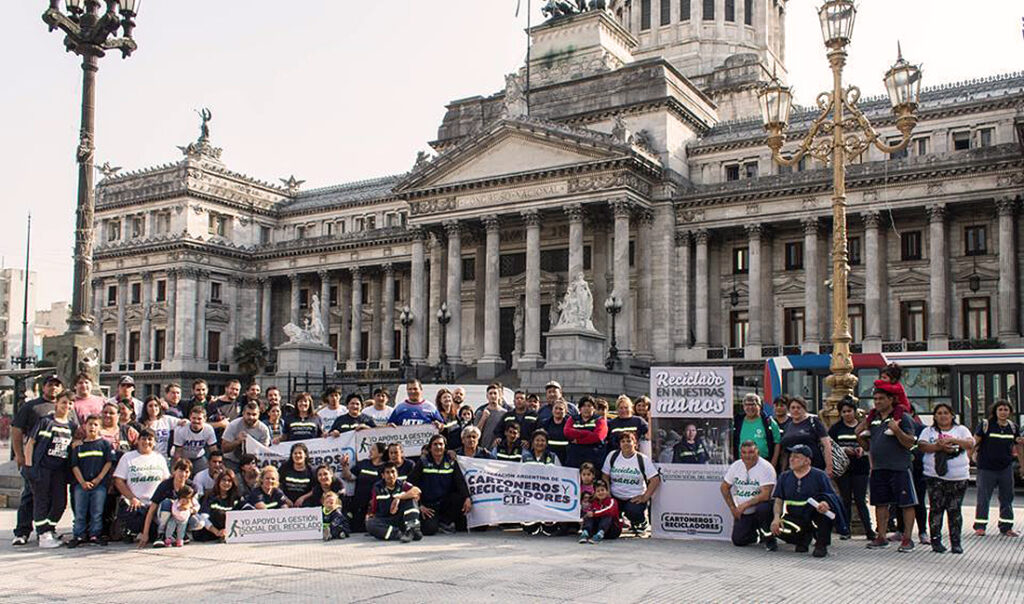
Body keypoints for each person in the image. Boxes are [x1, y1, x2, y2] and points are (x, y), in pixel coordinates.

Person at [861, 386, 920, 552]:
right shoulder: (873, 419)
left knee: (907, 503)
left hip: (899, 467)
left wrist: (896, 430)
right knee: (880, 503)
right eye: (876, 399)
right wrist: (859, 435)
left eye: (881, 399)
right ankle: (881, 537)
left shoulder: (903, 418)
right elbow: (868, 445)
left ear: (891, 400)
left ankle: (907, 539)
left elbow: (910, 443)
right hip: (879, 468)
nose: (878, 402)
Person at [10, 374, 66, 546]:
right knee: (29, 496)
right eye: (50, 384)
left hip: (56, 463)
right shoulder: (32, 406)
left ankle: (47, 530)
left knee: (54, 498)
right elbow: (17, 430)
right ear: (44, 387)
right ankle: (22, 531)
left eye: (57, 385)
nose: (53, 388)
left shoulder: (65, 408)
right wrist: (19, 455)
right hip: (35, 461)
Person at [918, 402, 973, 554]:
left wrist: (953, 441)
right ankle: (936, 541)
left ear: (952, 415)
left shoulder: (960, 430)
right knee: (936, 509)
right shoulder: (928, 431)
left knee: (954, 510)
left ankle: (956, 543)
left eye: (946, 413)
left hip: (958, 478)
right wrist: (939, 447)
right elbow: (921, 446)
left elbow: (970, 443)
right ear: (934, 416)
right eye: (939, 413)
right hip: (934, 477)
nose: (943, 416)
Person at [24, 391, 76, 549]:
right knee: (41, 500)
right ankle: (42, 534)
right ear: (57, 403)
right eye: (64, 402)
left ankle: (49, 528)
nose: (66, 406)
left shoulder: (71, 425)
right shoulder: (45, 421)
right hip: (42, 467)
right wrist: (29, 467)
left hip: (59, 470)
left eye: (69, 403)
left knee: (60, 502)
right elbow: (30, 443)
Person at [769, 444, 840, 558]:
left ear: (807, 461)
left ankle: (821, 544)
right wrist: (776, 517)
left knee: (825, 515)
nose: (791, 459)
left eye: (796, 457)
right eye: (791, 456)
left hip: (813, 514)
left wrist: (825, 503)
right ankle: (801, 540)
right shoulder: (784, 476)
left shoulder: (819, 475)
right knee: (768, 516)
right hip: (794, 516)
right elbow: (778, 499)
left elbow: (831, 496)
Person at [972, 398, 1022, 537]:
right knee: (983, 498)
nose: (1003, 412)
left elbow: (1018, 447)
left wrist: (1022, 466)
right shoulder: (985, 425)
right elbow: (974, 441)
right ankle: (980, 527)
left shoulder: (1013, 427)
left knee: (1007, 497)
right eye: (1000, 409)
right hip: (986, 468)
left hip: (1005, 468)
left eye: (1006, 409)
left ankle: (1006, 527)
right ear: (995, 411)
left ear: (1010, 412)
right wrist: (968, 457)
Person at [68, 413, 117, 548]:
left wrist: (98, 479)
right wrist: (82, 482)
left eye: (96, 425)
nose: (92, 427)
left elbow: (108, 463)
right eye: (90, 424)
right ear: (85, 426)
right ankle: (79, 534)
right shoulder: (79, 446)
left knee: (97, 512)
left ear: (100, 427)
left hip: (99, 485)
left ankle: (95, 534)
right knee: (80, 512)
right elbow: (74, 466)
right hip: (81, 485)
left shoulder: (105, 445)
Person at [829, 397, 875, 541]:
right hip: (843, 468)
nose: (847, 414)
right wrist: (844, 449)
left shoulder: (863, 427)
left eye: (849, 411)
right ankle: (845, 529)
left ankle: (869, 530)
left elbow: (871, 445)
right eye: (844, 412)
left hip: (860, 467)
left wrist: (862, 449)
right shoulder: (836, 428)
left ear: (855, 411)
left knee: (861, 500)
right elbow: (830, 446)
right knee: (845, 499)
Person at [112, 429, 171, 542]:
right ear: (138, 441)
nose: (146, 442)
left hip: (154, 504)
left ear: (154, 443)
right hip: (135, 504)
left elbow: (166, 481)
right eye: (143, 439)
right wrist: (132, 498)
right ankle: (130, 530)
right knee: (141, 523)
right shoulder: (128, 457)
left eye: (150, 439)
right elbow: (118, 481)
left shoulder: (159, 458)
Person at [410, 434, 471, 535]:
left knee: (459, 497)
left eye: (441, 444)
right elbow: (411, 484)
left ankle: (444, 523)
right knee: (429, 530)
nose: (438, 447)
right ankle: (436, 523)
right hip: (428, 505)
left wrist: (467, 498)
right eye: (435, 444)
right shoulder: (423, 461)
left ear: (445, 446)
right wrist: (419, 505)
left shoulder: (451, 461)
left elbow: (460, 481)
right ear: (430, 447)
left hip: (445, 503)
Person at [602, 431, 661, 536]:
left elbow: (655, 479)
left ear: (635, 443)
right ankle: (617, 522)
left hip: (634, 497)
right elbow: (605, 475)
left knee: (633, 510)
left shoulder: (642, 459)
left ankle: (640, 522)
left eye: (629, 441)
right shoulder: (612, 456)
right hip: (616, 496)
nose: (626, 443)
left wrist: (645, 497)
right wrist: (607, 492)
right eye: (623, 441)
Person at [721, 440, 777, 548]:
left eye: (751, 452)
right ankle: (755, 533)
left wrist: (744, 505)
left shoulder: (766, 467)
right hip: (743, 511)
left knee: (763, 509)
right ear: (740, 454)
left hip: (762, 507)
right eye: (744, 452)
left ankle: (769, 538)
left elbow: (765, 495)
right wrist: (733, 508)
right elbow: (724, 487)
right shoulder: (736, 466)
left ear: (758, 452)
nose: (747, 456)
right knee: (738, 540)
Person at [139, 458, 203, 547]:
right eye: (181, 470)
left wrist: (188, 508)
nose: (183, 474)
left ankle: (180, 533)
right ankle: (161, 534)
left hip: (181, 517)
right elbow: (151, 510)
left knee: (199, 523)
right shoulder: (164, 486)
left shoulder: (192, 487)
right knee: (167, 502)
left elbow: (194, 505)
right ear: (174, 471)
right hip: (164, 516)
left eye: (187, 471)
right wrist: (145, 534)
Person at [367, 463, 423, 542]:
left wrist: (399, 497)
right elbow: (374, 509)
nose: (391, 475)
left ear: (397, 474)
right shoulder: (377, 488)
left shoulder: (402, 484)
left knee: (411, 499)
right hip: (386, 520)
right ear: (383, 475)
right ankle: (399, 534)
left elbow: (417, 490)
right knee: (370, 524)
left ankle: (411, 529)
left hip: (402, 519)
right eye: (387, 472)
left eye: (393, 472)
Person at [779, 397, 833, 475]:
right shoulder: (787, 426)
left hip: (814, 466)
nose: (796, 410)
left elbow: (827, 444)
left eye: (799, 407)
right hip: (793, 469)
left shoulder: (814, 422)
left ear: (804, 409)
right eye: (793, 408)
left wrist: (829, 466)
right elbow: (785, 451)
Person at [522, 429, 561, 536]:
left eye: (543, 440)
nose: (540, 443)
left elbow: (560, 474)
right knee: (529, 529)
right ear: (532, 442)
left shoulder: (552, 456)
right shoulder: (525, 457)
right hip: (530, 493)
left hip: (548, 493)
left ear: (546, 443)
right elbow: (519, 475)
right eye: (537, 440)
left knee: (549, 529)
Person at [342, 441, 388, 532]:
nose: (370, 451)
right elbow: (349, 477)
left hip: (375, 506)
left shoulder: (386, 468)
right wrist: (345, 465)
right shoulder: (364, 463)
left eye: (373, 449)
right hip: (358, 503)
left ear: (381, 453)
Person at [222, 401, 272, 471]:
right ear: (243, 413)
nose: (251, 417)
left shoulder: (263, 429)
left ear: (259, 415)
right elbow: (224, 448)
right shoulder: (233, 425)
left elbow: (263, 451)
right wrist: (237, 441)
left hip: (253, 463)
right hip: (232, 461)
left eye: (254, 414)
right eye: (248, 414)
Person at [733, 393, 780, 466]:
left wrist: (773, 463)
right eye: (747, 405)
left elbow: (777, 442)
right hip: (742, 463)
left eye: (753, 405)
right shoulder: (737, 422)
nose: (750, 407)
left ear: (759, 406)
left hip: (764, 463)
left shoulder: (769, 422)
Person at [195, 468, 242, 542]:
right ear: (218, 481)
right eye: (224, 480)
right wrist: (216, 532)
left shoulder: (237, 498)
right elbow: (203, 517)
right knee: (219, 513)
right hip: (210, 531)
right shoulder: (209, 496)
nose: (226, 483)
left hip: (229, 532)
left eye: (229, 481)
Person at [564, 396, 608, 469]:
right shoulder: (572, 419)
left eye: (589, 406)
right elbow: (567, 432)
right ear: (580, 408)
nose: (586, 408)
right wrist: (587, 433)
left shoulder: (600, 420)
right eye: (584, 406)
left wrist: (578, 440)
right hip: (574, 460)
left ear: (594, 408)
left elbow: (598, 437)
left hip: (594, 459)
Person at [865, 363, 912, 431]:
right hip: (893, 405)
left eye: (884, 378)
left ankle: (895, 424)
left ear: (893, 379)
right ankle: (868, 427)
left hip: (902, 406)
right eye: (881, 377)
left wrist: (879, 383)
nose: (882, 379)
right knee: (873, 411)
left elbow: (887, 387)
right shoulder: (887, 385)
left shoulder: (898, 386)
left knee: (898, 409)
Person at [172, 406, 217, 473]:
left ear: (205, 419)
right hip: (182, 457)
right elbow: (178, 452)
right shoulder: (181, 429)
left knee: (206, 473)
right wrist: (175, 470)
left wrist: (215, 467)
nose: (196, 421)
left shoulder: (208, 429)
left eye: (199, 419)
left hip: (198, 457)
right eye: (194, 418)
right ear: (190, 418)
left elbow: (213, 450)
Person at [280, 442, 316, 507]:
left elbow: (315, 489)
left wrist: (303, 498)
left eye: (300, 453)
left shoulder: (312, 470)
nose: (297, 455)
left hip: (305, 502)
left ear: (305, 455)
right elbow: (277, 486)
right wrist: (285, 499)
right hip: (285, 500)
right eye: (295, 453)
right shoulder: (284, 468)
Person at [475, 383, 508, 449]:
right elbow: (475, 433)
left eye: (495, 393)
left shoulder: (505, 413)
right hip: (483, 449)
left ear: (499, 396)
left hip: (498, 449)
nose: (493, 396)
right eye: (490, 393)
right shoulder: (480, 412)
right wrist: (483, 419)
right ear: (487, 396)